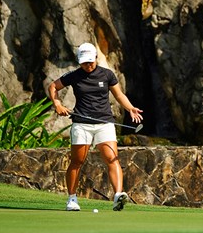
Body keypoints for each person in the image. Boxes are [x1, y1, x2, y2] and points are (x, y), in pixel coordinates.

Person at [48, 42, 143, 212]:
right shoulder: (74, 75)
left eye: (90, 61)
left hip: (104, 123)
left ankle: (118, 196)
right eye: (84, 62)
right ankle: (72, 199)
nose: (88, 65)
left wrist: (130, 108)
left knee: (112, 158)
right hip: (82, 124)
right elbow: (53, 86)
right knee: (77, 161)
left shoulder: (107, 75)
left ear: (96, 58)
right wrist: (58, 104)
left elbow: (119, 94)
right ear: (79, 61)